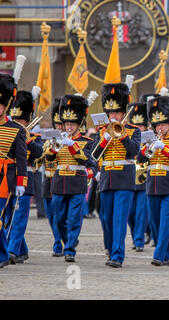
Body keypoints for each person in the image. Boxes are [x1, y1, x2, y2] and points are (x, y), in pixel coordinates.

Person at [92, 82, 141, 268]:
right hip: (106, 178)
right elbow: (94, 156)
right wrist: (104, 139)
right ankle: (110, 249)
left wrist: (122, 136)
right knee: (106, 218)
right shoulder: (101, 131)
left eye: (116, 113)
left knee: (120, 218)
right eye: (110, 113)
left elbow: (134, 150)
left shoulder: (134, 131)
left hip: (124, 179)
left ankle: (117, 256)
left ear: (123, 112)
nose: (113, 116)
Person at [46, 93, 97, 263]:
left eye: (72, 124)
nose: (68, 127)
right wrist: (53, 148)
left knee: (74, 218)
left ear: (79, 124)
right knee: (58, 219)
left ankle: (70, 249)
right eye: (66, 124)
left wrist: (73, 146)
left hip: (77, 182)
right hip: (59, 181)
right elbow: (49, 159)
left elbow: (86, 159)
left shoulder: (87, 141)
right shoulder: (58, 138)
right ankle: (69, 239)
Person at [137, 94, 169, 266]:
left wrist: (163, 149)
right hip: (152, 185)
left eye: (163, 124)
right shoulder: (151, 140)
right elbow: (141, 160)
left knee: (164, 224)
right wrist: (146, 148)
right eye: (157, 125)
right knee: (155, 224)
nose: (160, 128)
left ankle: (158, 255)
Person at [6, 88, 43, 264]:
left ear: (27, 120)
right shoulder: (8, 132)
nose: (18, 123)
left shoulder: (34, 136)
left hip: (25, 179)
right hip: (8, 178)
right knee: (8, 218)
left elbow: (38, 152)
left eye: (21, 120)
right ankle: (22, 249)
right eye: (15, 119)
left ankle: (12, 250)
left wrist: (26, 139)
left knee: (19, 217)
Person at [0, 72, 28, 268]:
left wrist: (20, 183)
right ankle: (2, 255)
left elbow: (21, 159)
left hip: (4, 179)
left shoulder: (16, 129)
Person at [41, 97, 64, 257]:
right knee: (50, 215)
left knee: (59, 214)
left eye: (61, 124)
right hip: (48, 179)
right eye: (58, 124)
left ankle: (59, 243)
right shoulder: (49, 138)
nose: (60, 127)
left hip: (61, 178)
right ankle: (59, 238)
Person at [127, 102, 149, 252]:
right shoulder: (129, 135)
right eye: (137, 126)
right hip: (128, 175)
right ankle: (135, 235)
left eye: (141, 126)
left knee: (141, 211)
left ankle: (139, 240)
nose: (139, 128)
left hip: (143, 175)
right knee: (130, 213)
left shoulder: (149, 139)